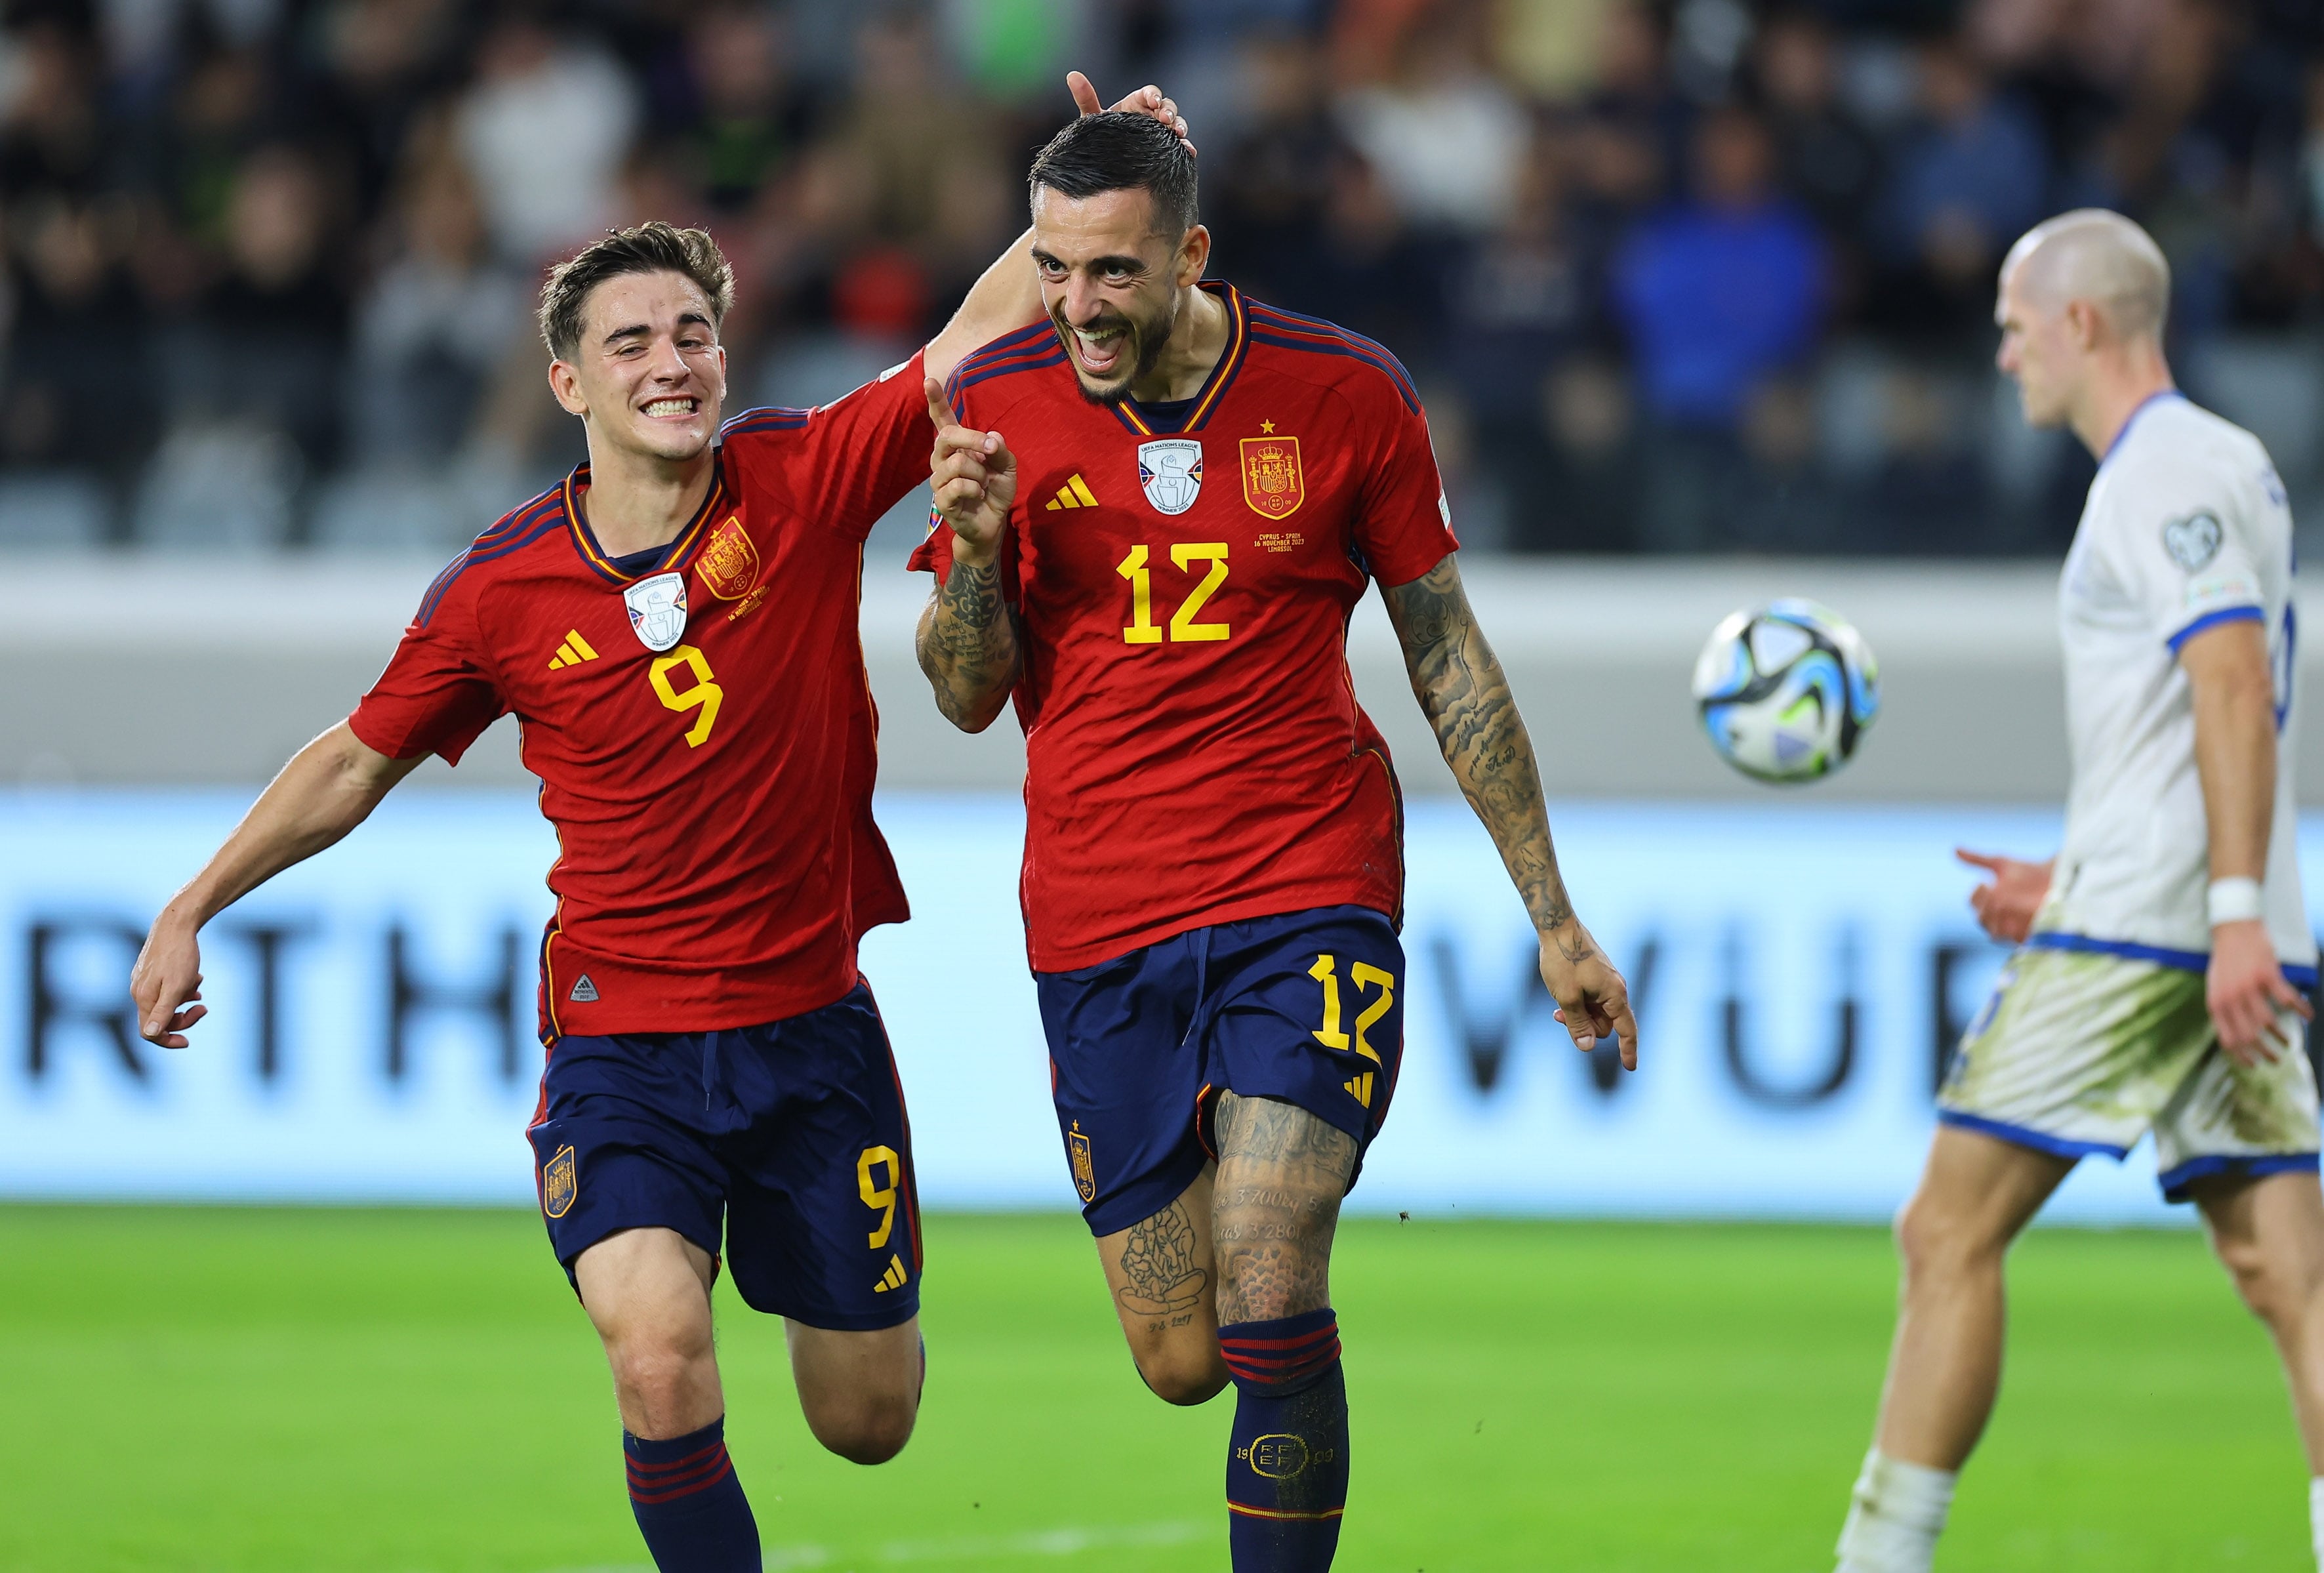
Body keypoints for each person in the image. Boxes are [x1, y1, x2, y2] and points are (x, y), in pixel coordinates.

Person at [127, 77, 1191, 1573]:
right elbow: (354, 761)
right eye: (630, 340)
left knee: (867, 1416)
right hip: (619, 1046)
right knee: (657, 1355)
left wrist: (1099, 178)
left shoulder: (802, 481)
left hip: (809, 1033)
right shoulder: (496, 590)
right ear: (569, 383)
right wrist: (193, 901)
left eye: (691, 332)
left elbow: (970, 334)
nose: (671, 362)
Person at [909, 112, 1638, 1572]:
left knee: (1265, 1248)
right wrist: (974, 559)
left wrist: (1550, 913)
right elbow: (967, 694)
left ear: (1188, 252)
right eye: (1051, 268)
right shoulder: (991, 399)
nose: (1077, 305)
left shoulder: (1344, 391)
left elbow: (1447, 655)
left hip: (1303, 880)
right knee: (1182, 1352)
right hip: (1097, 916)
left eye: (1109, 271)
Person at [1833, 208, 2324, 1572]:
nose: (2000, 355)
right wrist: (2093, 872)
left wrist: (2215, 906)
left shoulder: (2152, 470)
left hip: (2170, 928)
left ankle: (1877, 1560)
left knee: (1944, 1225)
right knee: (2286, 1269)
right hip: (2203, 909)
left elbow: (2228, 678)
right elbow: (2190, 719)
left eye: (2010, 324)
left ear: (2081, 323)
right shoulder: (2228, 460)